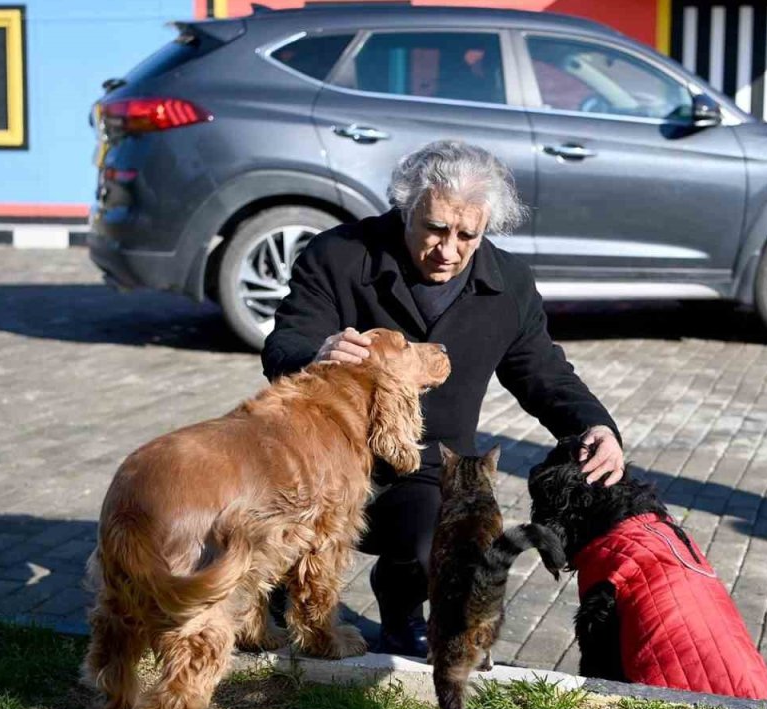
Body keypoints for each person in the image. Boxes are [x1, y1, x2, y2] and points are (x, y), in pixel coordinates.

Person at [262, 140, 624, 655]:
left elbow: (543, 373)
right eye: (434, 228)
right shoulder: (338, 254)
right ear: (405, 209)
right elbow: (285, 342)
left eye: (467, 235)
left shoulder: (509, 284)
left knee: (450, 535)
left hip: (427, 465)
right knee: (273, 503)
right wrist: (315, 352)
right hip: (325, 454)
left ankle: (401, 599)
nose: (448, 250)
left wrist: (594, 425)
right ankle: (276, 584)